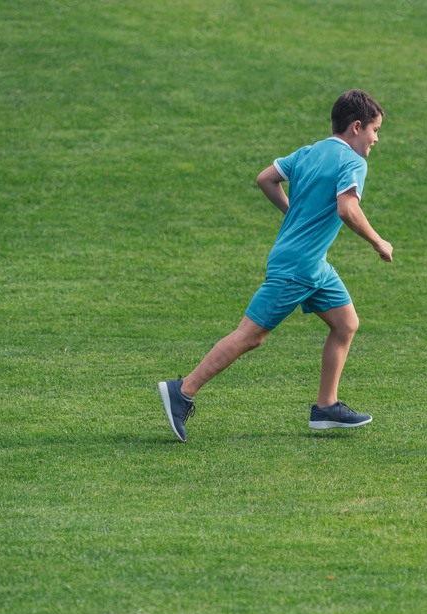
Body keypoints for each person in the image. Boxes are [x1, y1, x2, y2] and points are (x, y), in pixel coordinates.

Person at [158, 89, 393, 442]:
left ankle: (325, 407)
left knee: (346, 324)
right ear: (356, 127)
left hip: (314, 266)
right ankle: (183, 390)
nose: (376, 139)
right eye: (375, 130)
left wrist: (292, 213)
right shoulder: (354, 162)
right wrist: (378, 242)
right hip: (298, 266)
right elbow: (347, 209)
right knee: (250, 336)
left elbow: (265, 178)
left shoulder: (310, 152)